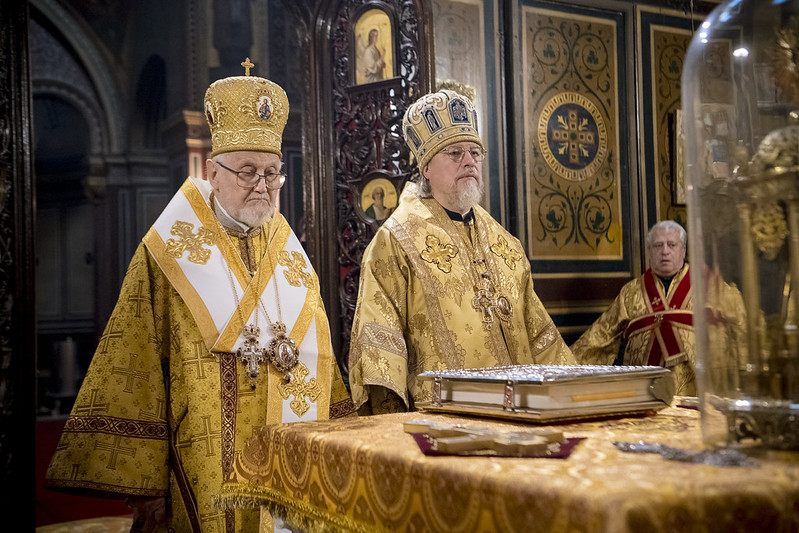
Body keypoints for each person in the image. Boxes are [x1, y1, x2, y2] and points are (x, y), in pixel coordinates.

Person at [45, 59, 354, 532]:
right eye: (248, 170)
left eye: (273, 173)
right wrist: (147, 485)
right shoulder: (167, 251)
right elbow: (135, 365)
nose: (264, 186)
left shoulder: (292, 257)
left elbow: (322, 364)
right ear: (213, 170)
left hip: (289, 458)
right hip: (201, 463)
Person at [348, 89, 575, 414]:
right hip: (444, 422)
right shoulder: (395, 242)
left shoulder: (504, 243)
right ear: (426, 167)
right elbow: (380, 350)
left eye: (475, 153)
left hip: (524, 417)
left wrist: (568, 400)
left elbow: (541, 338)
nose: (469, 161)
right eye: (454, 153)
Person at [570, 220, 699, 393]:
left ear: (683, 251)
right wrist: (561, 364)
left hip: (695, 393)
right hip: (642, 392)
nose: (665, 251)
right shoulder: (630, 292)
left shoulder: (706, 287)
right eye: (658, 245)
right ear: (649, 252)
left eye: (672, 245)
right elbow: (600, 337)